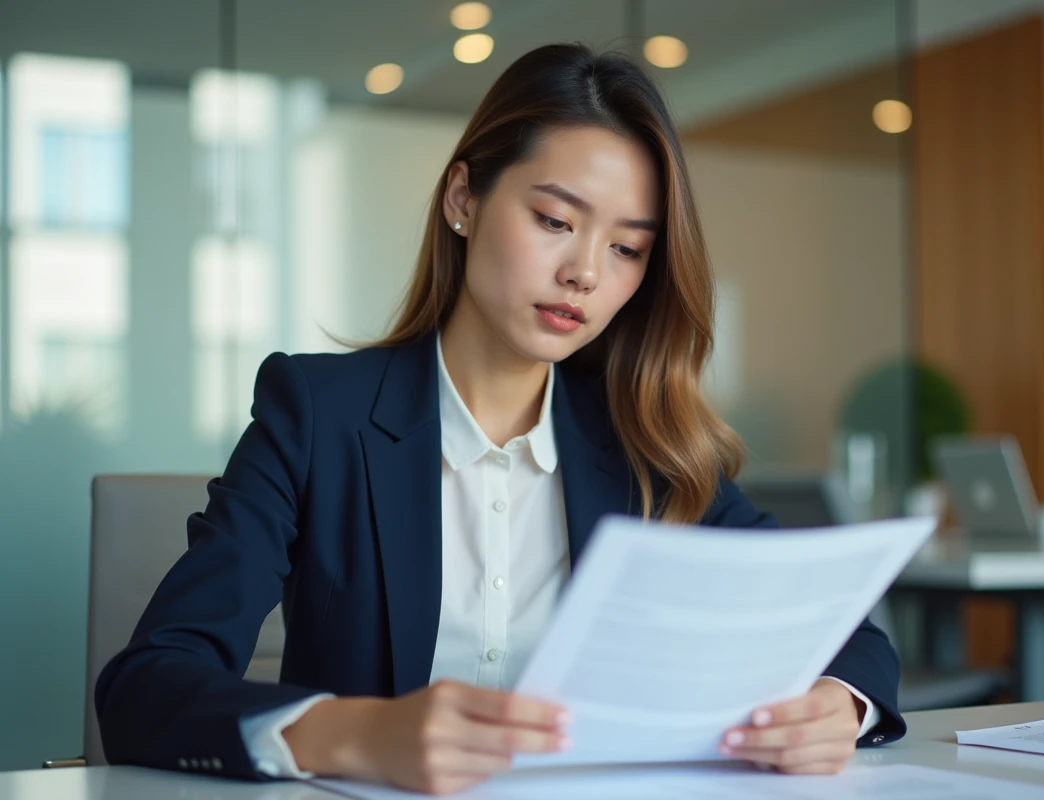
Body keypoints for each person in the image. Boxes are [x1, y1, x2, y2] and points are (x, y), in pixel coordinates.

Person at [96, 43, 904, 796]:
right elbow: (146, 685)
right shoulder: (317, 414)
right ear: (462, 200)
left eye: (628, 249)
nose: (584, 272)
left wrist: (840, 703)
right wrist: (358, 734)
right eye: (555, 221)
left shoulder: (645, 446)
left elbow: (844, 629)